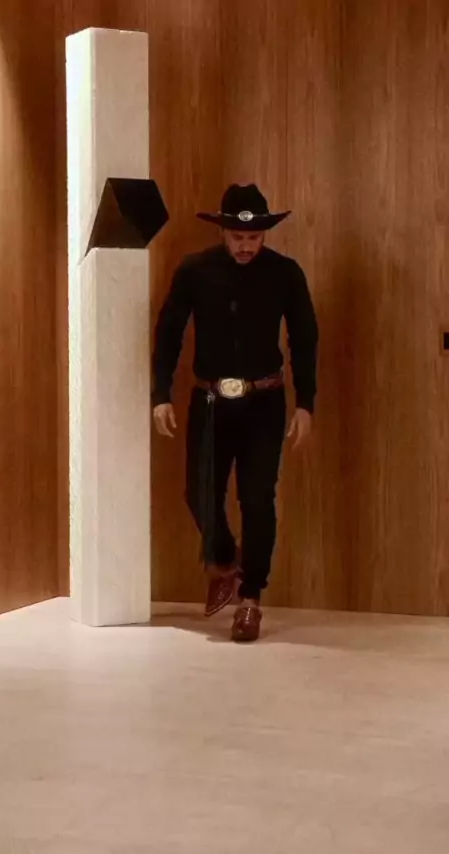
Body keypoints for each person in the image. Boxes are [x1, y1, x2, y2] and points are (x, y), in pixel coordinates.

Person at [152, 184, 318, 642]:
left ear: (264, 234)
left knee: (257, 498)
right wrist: (160, 393)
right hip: (209, 402)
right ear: (223, 231)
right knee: (198, 492)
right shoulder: (195, 271)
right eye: (237, 236)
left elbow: (305, 339)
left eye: (254, 237)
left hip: (264, 402)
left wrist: (306, 403)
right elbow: (168, 332)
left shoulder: (285, 274)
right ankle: (225, 560)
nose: (246, 245)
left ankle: (250, 599)